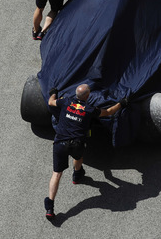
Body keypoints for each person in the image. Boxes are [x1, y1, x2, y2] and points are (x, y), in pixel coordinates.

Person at [44, 84, 126, 220]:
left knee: (56, 174)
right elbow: (109, 111)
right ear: (88, 96)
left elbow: (51, 102)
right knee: (79, 155)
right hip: (76, 144)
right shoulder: (89, 109)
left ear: (76, 93)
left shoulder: (66, 101)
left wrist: (53, 92)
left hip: (60, 144)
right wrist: (121, 104)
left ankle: (50, 207)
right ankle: (77, 175)